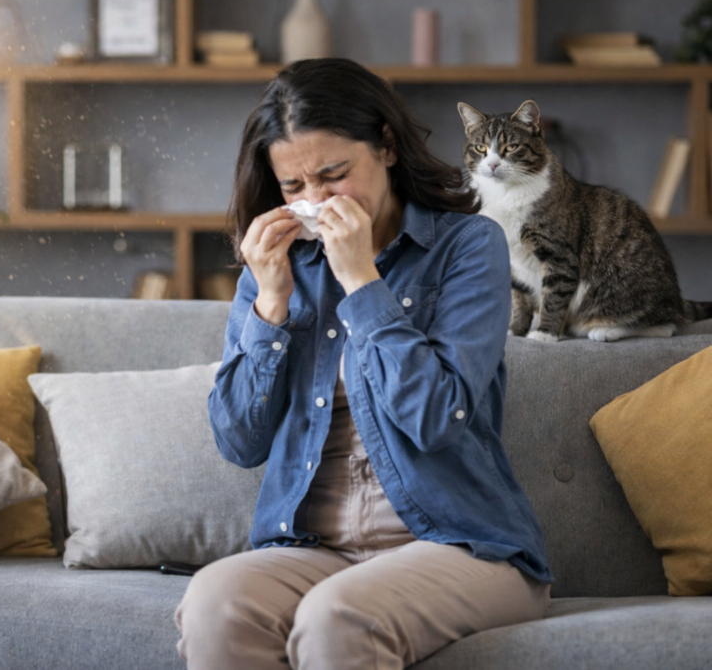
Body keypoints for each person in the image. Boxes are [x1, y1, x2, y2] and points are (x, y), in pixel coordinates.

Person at [174, 58, 553, 670]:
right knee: (215, 601)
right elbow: (239, 442)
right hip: (312, 548)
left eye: (333, 174)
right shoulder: (277, 269)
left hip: (456, 544)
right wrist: (269, 303)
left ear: (386, 146)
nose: (315, 201)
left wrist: (360, 278)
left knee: (337, 615)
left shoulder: (468, 246)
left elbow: (434, 417)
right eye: (294, 188)